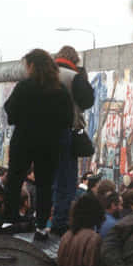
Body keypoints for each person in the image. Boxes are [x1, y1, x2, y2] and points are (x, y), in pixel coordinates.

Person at [3, 48, 73, 240]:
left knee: (15, 179)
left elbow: (10, 111)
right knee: (44, 184)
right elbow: (68, 120)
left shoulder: (24, 87)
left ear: (32, 65)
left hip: (23, 140)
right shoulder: (60, 91)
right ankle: (41, 225)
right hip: (49, 144)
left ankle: (9, 219)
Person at [50, 45, 95, 236]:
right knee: (66, 181)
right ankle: (59, 223)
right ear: (74, 60)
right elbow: (87, 101)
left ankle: (41, 222)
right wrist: (82, 77)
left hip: (39, 134)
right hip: (64, 133)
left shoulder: (43, 76)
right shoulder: (72, 77)